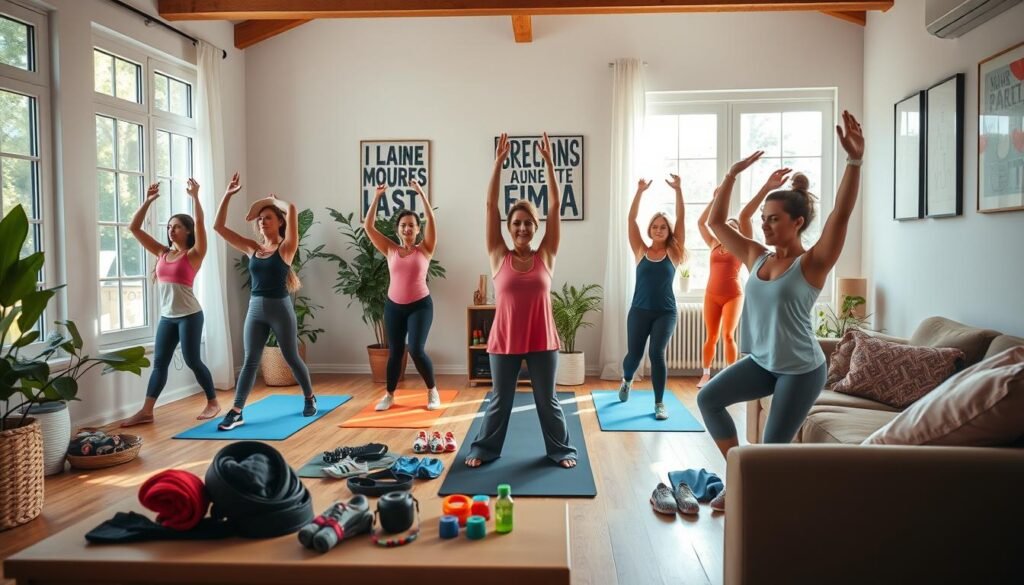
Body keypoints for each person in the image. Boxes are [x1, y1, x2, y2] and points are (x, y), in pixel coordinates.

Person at [697, 111, 865, 511]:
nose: (765, 226)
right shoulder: (756, 255)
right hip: (764, 362)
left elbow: (841, 214)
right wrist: (732, 175)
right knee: (709, 399)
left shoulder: (813, 263)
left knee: (771, 452)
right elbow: (716, 221)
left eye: (773, 220)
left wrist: (854, 161)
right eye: (763, 219)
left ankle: (762, 505)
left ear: (798, 222)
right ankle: (739, 477)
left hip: (801, 370)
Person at [465, 133, 578, 469]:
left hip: (542, 338)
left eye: (528, 223)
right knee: (501, 399)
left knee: (547, 400)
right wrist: (498, 164)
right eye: (516, 223)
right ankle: (484, 449)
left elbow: (555, 207)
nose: (522, 228)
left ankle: (561, 450)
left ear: (536, 226)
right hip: (505, 339)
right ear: (509, 227)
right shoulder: (498, 255)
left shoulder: (547, 255)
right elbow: (490, 207)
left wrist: (549, 164)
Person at [213, 173, 317, 430]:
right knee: (250, 360)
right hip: (255, 309)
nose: (262, 221)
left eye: (267, 217)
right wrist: (227, 195)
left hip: (280, 309)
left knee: (291, 356)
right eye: (259, 219)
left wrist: (272, 201)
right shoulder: (253, 248)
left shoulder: (287, 248)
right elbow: (219, 227)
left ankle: (309, 397)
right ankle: (237, 411)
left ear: (280, 222)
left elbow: (292, 209)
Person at [121, 180, 219, 426]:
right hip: (168, 317)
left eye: (176, 227)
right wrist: (148, 201)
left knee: (192, 360)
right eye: (169, 227)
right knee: (159, 364)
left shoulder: (194, 254)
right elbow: (134, 227)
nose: (171, 230)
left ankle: (213, 402)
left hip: (190, 315)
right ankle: (146, 411)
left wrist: (195, 197)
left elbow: (201, 223)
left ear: (188, 231)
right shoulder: (162, 253)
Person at [695, 168, 792, 388]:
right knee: (711, 336)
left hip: (733, 295)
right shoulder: (714, 244)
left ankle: (730, 376)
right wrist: (714, 200)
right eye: (727, 228)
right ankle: (706, 374)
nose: (729, 231)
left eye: (734, 229)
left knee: (728, 335)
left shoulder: (742, 248)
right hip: (711, 295)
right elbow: (702, 223)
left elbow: (745, 217)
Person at [364, 179, 441, 411]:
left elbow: (432, 220)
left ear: (418, 229)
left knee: (416, 349)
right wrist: (377, 197)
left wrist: (421, 194)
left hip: (420, 306)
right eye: (403, 225)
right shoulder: (390, 249)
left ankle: (432, 391)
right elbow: (368, 227)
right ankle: (389, 395)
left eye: (411, 225)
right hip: (394, 307)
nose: (407, 229)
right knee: (395, 352)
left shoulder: (426, 248)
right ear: (398, 229)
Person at [617, 175, 687, 420]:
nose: (658, 230)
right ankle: (627, 380)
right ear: (650, 229)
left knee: (657, 354)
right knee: (634, 356)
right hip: (639, 311)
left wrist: (678, 190)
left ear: (669, 231)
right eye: (655, 226)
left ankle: (659, 403)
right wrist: (639, 192)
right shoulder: (640, 250)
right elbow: (631, 219)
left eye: (663, 227)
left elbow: (682, 219)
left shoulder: (674, 252)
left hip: (665, 313)